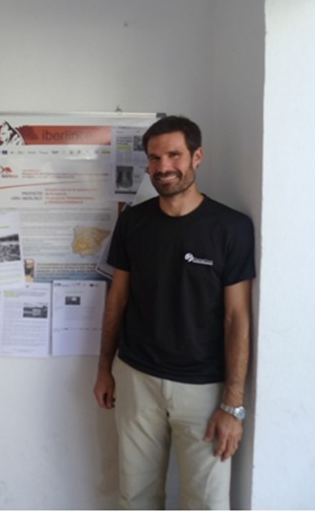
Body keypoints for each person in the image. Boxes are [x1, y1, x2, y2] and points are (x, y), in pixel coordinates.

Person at [93, 116, 255, 509]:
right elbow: (117, 299)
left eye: (174, 155)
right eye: (154, 158)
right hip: (136, 379)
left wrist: (232, 405)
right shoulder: (133, 222)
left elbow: (238, 319)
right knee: (137, 497)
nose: (164, 167)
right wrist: (104, 368)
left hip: (204, 389)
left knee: (207, 501)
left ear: (197, 157)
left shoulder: (231, 228)